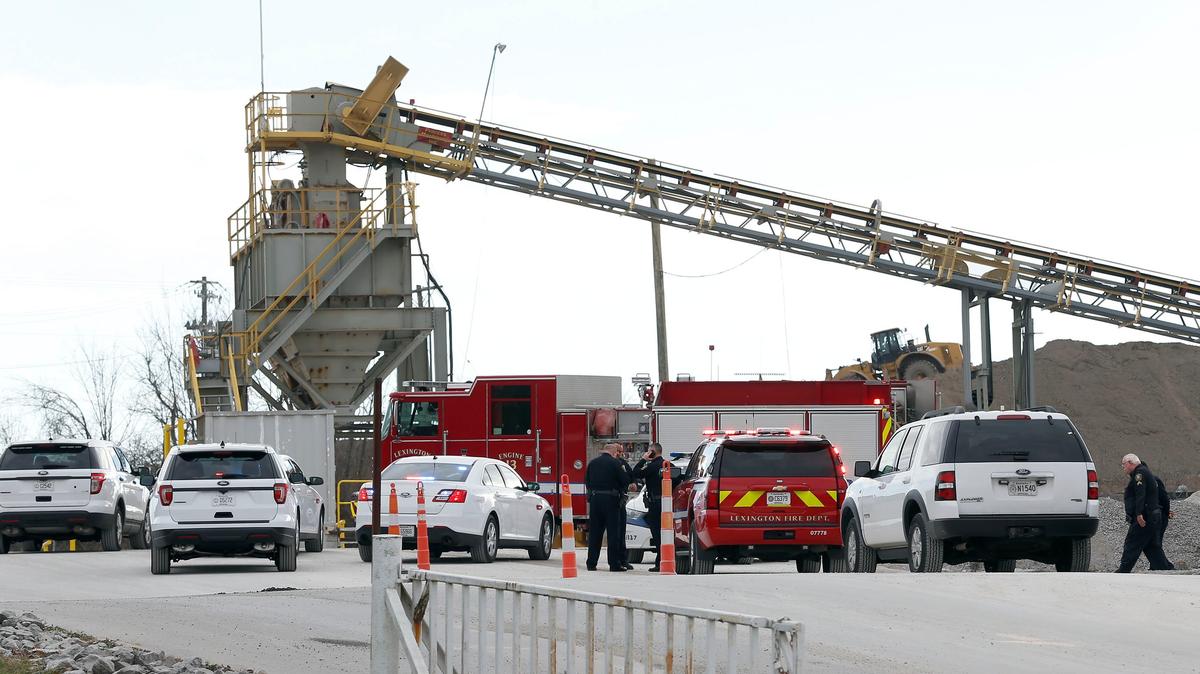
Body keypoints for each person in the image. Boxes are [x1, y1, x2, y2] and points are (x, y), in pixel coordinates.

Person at [1116, 454, 1173, 573]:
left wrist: (1139, 514)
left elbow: (1140, 495)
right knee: (1151, 546)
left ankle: (1123, 571)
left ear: (1130, 462)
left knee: (1132, 542)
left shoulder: (1139, 474)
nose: (1123, 467)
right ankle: (1165, 569)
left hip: (1145, 516)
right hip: (1152, 516)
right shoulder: (1144, 473)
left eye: (1124, 464)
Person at [585, 443, 633, 572]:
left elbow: (587, 481)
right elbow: (625, 480)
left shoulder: (592, 463)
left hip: (595, 500)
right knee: (613, 533)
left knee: (595, 533)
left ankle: (591, 563)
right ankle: (614, 564)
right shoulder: (615, 464)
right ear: (613, 452)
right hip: (611, 500)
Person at [632, 443, 667, 571]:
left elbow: (636, 473)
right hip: (666, 505)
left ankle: (660, 562)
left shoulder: (652, 466)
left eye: (648, 451)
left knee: (657, 533)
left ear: (652, 452)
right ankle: (664, 560)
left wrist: (643, 459)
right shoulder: (667, 465)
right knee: (667, 534)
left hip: (655, 505)